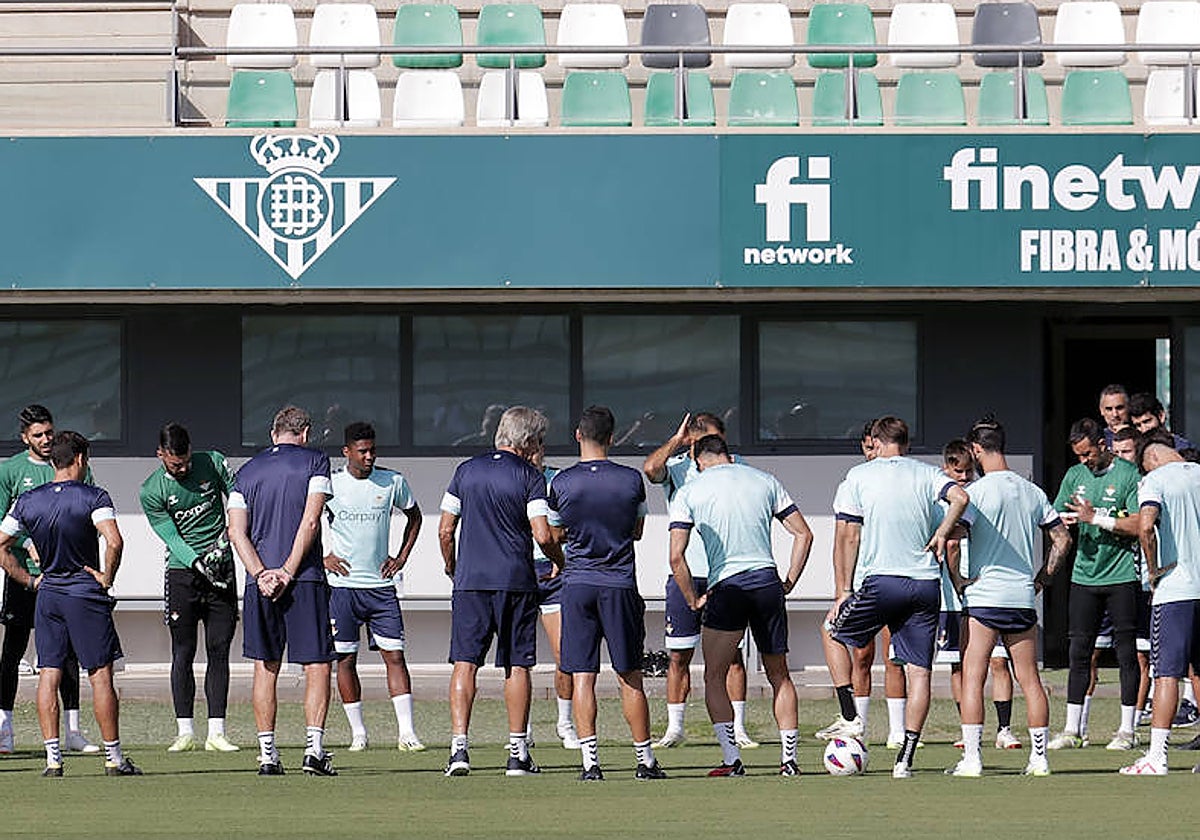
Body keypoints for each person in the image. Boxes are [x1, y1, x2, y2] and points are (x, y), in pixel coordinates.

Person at [825, 416, 969, 778]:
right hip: (924, 585)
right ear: (906, 442)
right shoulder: (926, 474)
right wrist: (942, 531)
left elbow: (849, 536)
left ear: (875, 440)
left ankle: (849, 718)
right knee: (919, 674)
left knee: (831, 631)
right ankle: (904, 760)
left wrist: (844, 591)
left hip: (882, 582)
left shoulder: (859, 475)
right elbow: (961, 497)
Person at [668, 434, 814, 776]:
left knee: (714, 675)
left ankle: (733, 761)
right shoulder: (764, 480)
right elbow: (804, 534)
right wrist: (788, 581)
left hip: (727, 587)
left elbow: (676, 556)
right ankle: (789, 761)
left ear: (697, 458)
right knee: (779, 674)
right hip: (766, 582)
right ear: (728, 455)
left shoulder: (690, 490)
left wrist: (692, 598)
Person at [0, 431, 139, 776]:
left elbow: (1, 544)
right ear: (80, 459)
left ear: (53, 460)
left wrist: (29, 580)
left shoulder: (28, 500)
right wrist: (107, 577)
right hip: (83, 592)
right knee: (100, 673)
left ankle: (52, 759)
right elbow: (115, 541)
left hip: (47, 594)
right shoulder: (94, 496)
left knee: (48, 673)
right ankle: (114, 758)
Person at [438, 406, 564, 777]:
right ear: (526, 441)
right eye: (539, 440)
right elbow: (542, 534)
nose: (540, 447)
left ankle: (459, 750)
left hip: (471, 581)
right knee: (517, 664)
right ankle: (517, 753)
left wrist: (452, 566)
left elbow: (445, 530)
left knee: (465, 662)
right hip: (515, 580)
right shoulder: (530, 476)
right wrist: (560, 560)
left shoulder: (465, 470)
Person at [947, 417, 1072, 777]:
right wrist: (1043, 578)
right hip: (1021, 597)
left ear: (975, 450)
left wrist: (958, 581)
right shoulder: (1031, 491)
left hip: (984, 597)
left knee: (973, 676)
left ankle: (972, 759)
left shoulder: (977, 493)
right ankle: (1039, 759)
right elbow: (1062, 539)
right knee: (1029, 678)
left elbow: (954, 540)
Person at [547, 406, 664, 781]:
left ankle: (590, 764)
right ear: (612, 438)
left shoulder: (561, 483)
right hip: (619, 583)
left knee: (582, 675)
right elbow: (638, 530)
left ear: (578, 435)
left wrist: (571, 541)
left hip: (577, 583)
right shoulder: (631, 480)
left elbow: (551, 534)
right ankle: (645, 761)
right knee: (630, 675)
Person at [227, 406, 337, 777]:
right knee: (317, 663)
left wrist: (260, 573)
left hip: (259, 583)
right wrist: (288, 570)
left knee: (265, 665)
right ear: (304, 433)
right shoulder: (316, 461)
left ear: (273, 433)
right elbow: (311, 519)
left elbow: (235, 532)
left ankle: (267, 755)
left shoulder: (246, 472)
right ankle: (314, 751)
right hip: (304, 577)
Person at [642, 412, 756, 750]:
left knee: (733, 656)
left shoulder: (738, 465)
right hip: (685, 573)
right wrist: (676, 441)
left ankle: (739, 728)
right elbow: (650, 470)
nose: (717, 447)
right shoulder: (677, 467)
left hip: (726, 574)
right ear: (692, 441)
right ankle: (675, 728)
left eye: (720, 439)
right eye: (708, 439)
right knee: (679, 656)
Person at [0, 405, 98, 756]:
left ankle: (72, 730)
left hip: (64, 578)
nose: (46, 440)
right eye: (38, 435)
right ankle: (4, 729)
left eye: (49, 433)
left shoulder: (73, 466)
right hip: (25, 577)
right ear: (25, 437)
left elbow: (89, 515)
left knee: (66, 653)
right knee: (12, 650)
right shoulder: (9, 470)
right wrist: (27, 544)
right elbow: (1, 522)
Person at [139, 423, 240, 754]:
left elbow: (237, 496)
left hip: (221, 567)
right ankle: (184, 731)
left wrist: (231, 534)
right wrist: (197, 562)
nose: (182, 468)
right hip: (183, 574)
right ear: (160, 456)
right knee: (183, 651)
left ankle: (217, 732)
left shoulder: (212, 462)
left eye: (184, 462)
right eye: (174, 464)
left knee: (219, 649)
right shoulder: (150, 490)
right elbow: (170, 536)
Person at [323, 422, 424, 753]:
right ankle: (358, 734)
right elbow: (303, 522)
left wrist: (402, 557)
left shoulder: (392, 481)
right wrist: (322, 558)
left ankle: (407, 733)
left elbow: (415, 517)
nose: (369, 456)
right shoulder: (331, 485)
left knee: (394, 656)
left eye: (372, 450)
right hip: (342, 589)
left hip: (381, 587)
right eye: (362, 451)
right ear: (346, 452)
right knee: (345, 660)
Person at [1049, 418, 1143, 751]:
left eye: (1088, 454)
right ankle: (1073, 730)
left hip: (1121, 577)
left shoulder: (1128, 475)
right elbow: (1055, 515)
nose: (1084, 461)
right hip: (1083, 577)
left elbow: (1138, 524)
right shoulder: (1075, 476)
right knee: (1079, 653)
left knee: (1126, 654)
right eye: (1079, 456)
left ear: (1102, 445)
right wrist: (1067, 519)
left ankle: (1126, 730)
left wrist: (1096, 518)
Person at [816, 419, 912, 747]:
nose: (873, 452)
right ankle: (857, 723)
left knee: (895, 655)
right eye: (868, 446)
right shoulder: (855, 482)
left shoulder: (900, 483)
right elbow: (843, 539)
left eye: (877, 446)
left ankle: (898, 731)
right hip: (860, 583)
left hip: (891, 578)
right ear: (863, 447)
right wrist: (840, 588)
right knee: (860, 655)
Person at [1119, 430, 1200, 775]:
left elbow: (1146, 526)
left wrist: (1153, 572)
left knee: (1166, 674)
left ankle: (1157, 757)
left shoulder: (1153, 480)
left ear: (1150, 458)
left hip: (1175, 589)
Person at [528, 446, 579, 750]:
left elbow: (570, 522)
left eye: (537, 449)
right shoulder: (511, 478)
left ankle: (565, 723)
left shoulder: (559, 479)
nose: (532, 455)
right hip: (518, 571)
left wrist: (560, 552)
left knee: (564, 653)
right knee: (519, 659)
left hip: (555, 570)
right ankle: (522, 729)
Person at [1128, 393, 1194, 452]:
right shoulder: (1134, 450)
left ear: (1161, 416)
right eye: (1138, 425)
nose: (1144, 429)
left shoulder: (1183, 448)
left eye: (1147, 421)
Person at [1099, 384, 1130, 449]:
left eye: (1119, 408)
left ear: (1128, 408)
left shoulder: (1140, 434)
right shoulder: (1098, 438)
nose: (1115, 414)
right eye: (1109, 409)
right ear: (1102, 410)